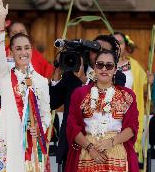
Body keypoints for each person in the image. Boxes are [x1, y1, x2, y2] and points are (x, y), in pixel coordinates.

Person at [0, 0, 51, 172]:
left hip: (29, 144)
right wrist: (1, 20)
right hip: (6, 139)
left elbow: (45, 115)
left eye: (26, 48)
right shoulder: (5, 75)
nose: (23, 52)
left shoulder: (41, 82)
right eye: (18, 48)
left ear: (32, 49)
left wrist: (39, 129)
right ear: (11, 51)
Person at [50, 34, 125, 169]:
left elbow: (109, 103)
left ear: (113, 55)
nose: (98, 55)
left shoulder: (117, 77)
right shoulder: (73, 71)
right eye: (95, 50)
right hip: (73, 146)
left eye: (104, 51)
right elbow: (53, 103)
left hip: (104, 150)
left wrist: (85, 80)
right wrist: (57, 74)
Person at [65, 50, 139, 171]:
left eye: (109, 65)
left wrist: (111, 141)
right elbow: (72, 126)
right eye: (100, 65)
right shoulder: (80, 94)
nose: (104, 69)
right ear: (94, 67)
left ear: (115, 69)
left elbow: (132, 128)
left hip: (116, 151)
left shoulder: (127, 95)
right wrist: (90, 148)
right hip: (87, 152)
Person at [113, 32, 149, 163]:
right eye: (113, 42)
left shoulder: (134, 65)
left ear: (125, 46)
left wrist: (150, 81)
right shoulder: (102, 64)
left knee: (126, 157)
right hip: (107, 117)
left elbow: (144, 87)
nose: (117, 46)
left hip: (127, 116)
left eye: (120, 43)